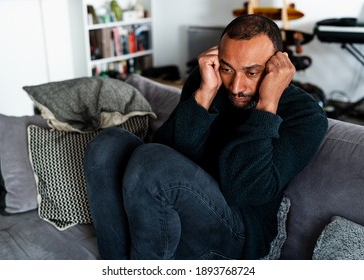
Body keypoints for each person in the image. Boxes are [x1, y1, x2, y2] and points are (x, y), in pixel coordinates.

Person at [84, 14, 328, 260]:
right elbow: (167, 150)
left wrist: (267, 104)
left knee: (151, 159)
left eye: (252, 73)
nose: (236, 86)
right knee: (108, 144)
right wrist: (204, 94)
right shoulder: (208, 80)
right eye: (227, 69)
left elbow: (243, 192)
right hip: (183, 199)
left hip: (239, 232)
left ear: (277, 66)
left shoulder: (306, 116)